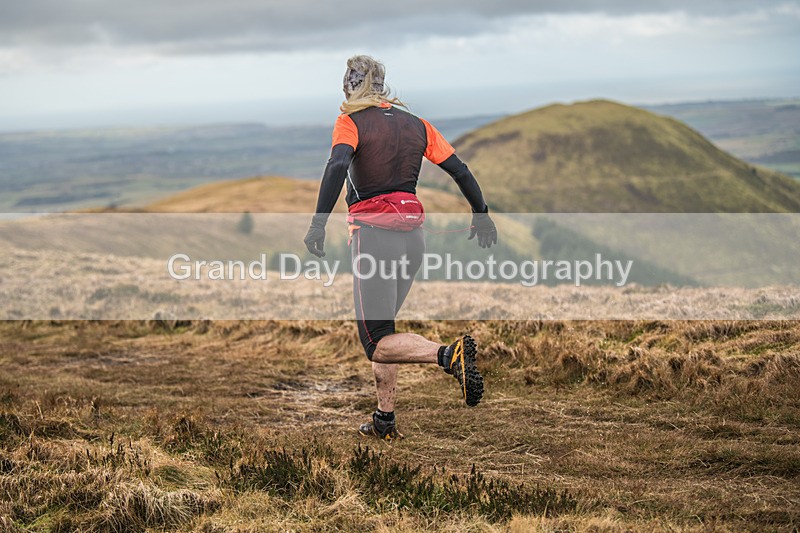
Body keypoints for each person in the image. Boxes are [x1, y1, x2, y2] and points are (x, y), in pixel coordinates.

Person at [304, 55, 497, 441]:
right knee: (387, 332)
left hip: (374, 240)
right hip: (413, 241)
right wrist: (482, 214)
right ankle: (384, 421)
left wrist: (318, 222)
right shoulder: (417, 125)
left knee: (376, 343)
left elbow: (338, 164)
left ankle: (448, 355)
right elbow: (459, 168)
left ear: (352, 86)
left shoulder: (350, 122)